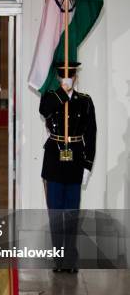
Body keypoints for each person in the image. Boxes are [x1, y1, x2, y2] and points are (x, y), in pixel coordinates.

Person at [39, 62, 97, 273]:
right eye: (63, 76)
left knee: (72, 213)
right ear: (57, 78)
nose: (67, 79)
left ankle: (70, 259)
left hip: (75, 160)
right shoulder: (50, 98)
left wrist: (88, 165)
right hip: (54, 159)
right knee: (55, 213)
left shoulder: (85, 101)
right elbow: (44, 110)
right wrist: (62, 94)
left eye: (71, 75)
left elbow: (91, 134)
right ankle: (58, 259)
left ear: (76, 77)